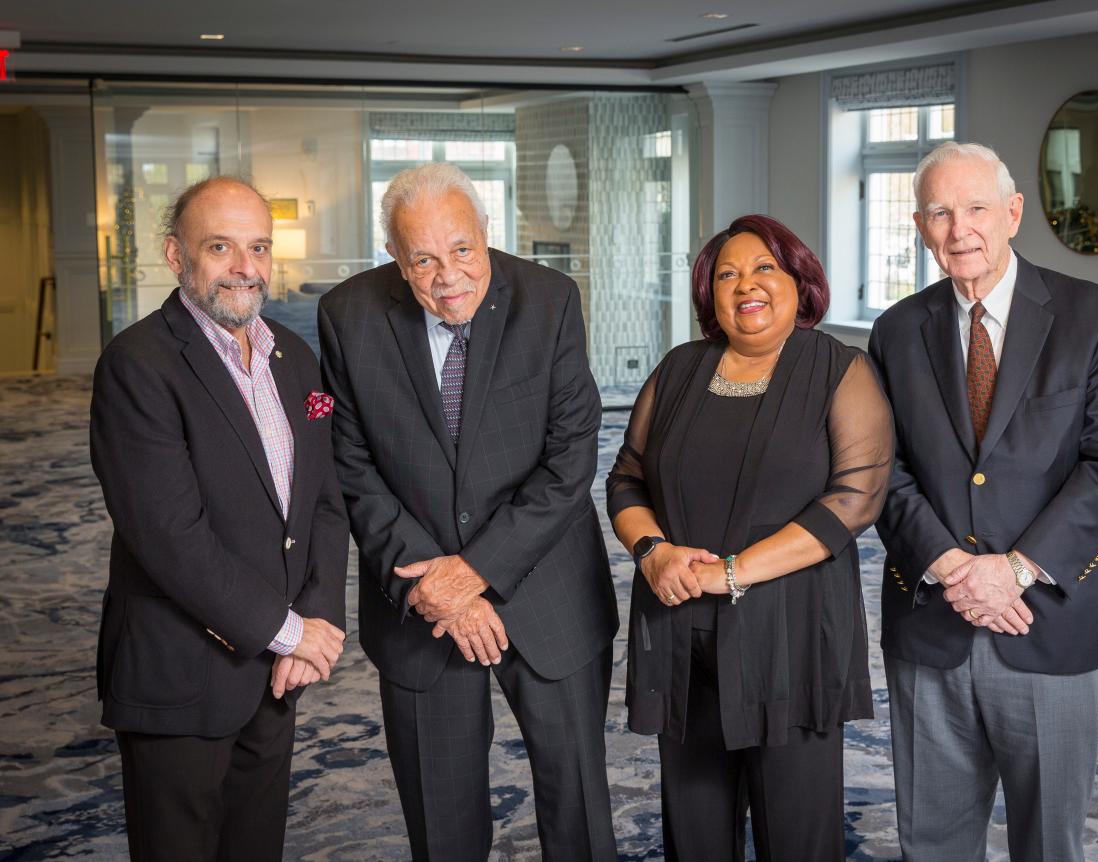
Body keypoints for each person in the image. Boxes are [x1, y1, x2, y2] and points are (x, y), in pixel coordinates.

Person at [318, 163, 619, 861]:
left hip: (547, 589)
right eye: (421, 258)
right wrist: (440, 591)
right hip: (421, 600)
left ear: (487, 232)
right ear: (394, 255)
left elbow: (572, 455)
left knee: (577, 808)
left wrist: (477, 570)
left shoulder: (548, 299)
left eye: (461, 250)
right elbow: (351, 466)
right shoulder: (349, 315)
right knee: (441, 820)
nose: (447, 275)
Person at [868, 141, 1098, 861]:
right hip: (931, 619)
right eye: (938, 212)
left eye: (976, 208)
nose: (959, 229)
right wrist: (955, 568)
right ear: (921, 226)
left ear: (1013, 213)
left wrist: (1013, 569)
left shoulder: (1092, 316)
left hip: (1049, 617)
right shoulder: (896, 331)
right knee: (930, 840)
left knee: (1049, 841)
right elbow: (880, 469)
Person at [606, 214, 893, 861]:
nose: (745, 286)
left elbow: (853, 501)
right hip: (681, 633)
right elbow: (626, 478)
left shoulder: (838, 370)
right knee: (695, 830)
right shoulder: (678, 369)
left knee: (796, 834)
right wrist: (652, 554)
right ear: (709, 294)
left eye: (764, 268)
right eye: (727, 274)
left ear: (799, 281)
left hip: (789, 638)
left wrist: (727, 572)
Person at [89, 176, 348, 861]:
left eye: (258, 247)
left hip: (275, 674)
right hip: (183, 674)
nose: (245, 266)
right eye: (221, 246)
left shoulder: (295, 361)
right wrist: (290, 632)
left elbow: (323, 500)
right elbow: (171, 539)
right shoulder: (138, 366)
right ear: (177, 257)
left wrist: (317, 621)